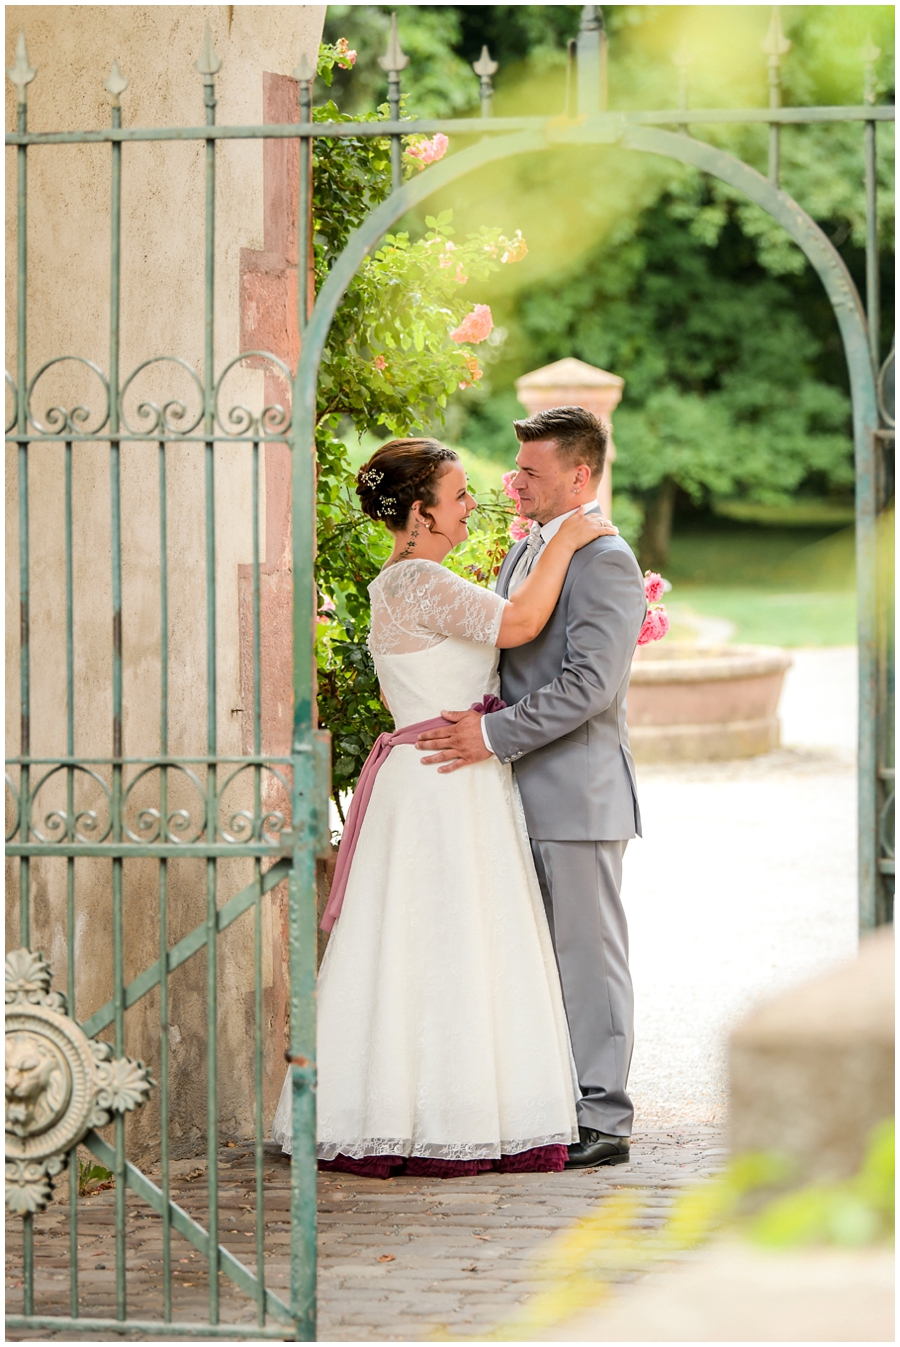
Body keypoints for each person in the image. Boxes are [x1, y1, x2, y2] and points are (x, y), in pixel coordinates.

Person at [272, 436, 617, 1177]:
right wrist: (574, 535)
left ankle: (435, 1109)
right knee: (443, 942)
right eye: (459, 496)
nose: (472, 507)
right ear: (421, 512)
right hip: (440, 783)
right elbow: (521, 624)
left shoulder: (406, 580)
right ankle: (438, 1119)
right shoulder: (420, 580)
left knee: (434, 945)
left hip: (445, 774)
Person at [416, 407, 646, 1169]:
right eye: (516, 469)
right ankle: (557, 1102)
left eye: (533, 473)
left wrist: (488, 734)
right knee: (542, 957)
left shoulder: (604, 559)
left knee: (588, 956)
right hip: (522, 788)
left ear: (581, 476)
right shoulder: (533, 551)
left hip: (576, 794)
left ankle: (604, 1116)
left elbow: (589, 685)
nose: (515, 483)